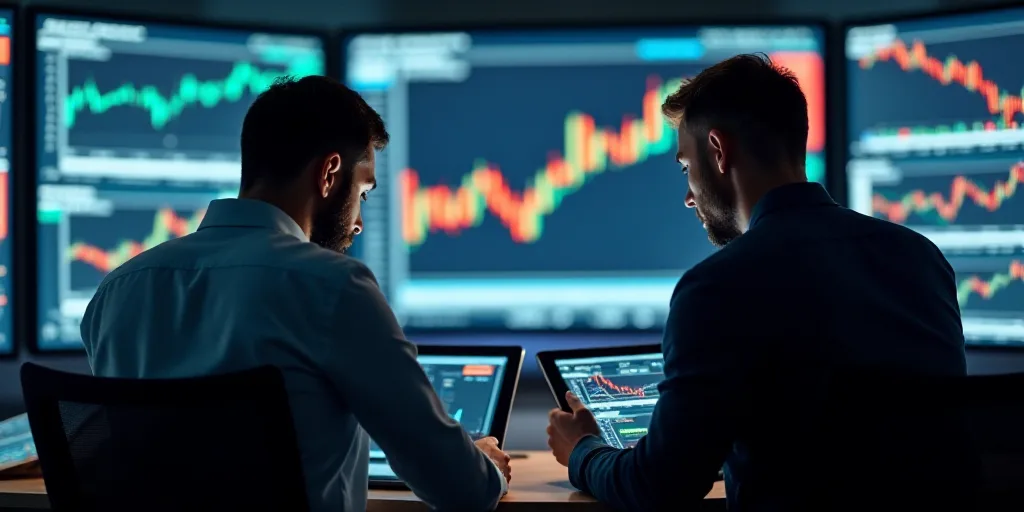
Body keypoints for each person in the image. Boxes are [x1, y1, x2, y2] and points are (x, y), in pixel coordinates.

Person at [546, 54, 973, 510]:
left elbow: (658, 487)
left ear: (718, 151)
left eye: (687, 168)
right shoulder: (920, 257)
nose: (690, 197)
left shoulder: (716, 288)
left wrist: (583, 452)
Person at [81, 76, 511, 512]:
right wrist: (486, 469)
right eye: (362, 191)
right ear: (328, 173)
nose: (359, 221)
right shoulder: (334, 287)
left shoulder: (116, 291)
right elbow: (461, 490)